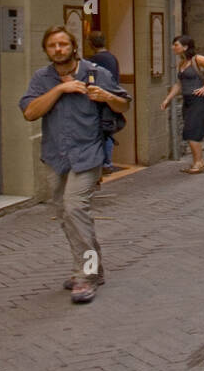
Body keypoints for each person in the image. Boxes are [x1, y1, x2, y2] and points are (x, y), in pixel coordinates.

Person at [19, 26, 130, 304]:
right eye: (52, 46)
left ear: (73, 47)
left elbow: (124, 105)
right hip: (56, 156)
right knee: (68, 214)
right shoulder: (41, 78)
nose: (58, 50)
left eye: (63, 44)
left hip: (88, 154)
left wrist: (108, 97)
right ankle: (94, 267)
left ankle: (85, 274)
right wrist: (60, 88)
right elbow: (30, 112)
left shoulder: (95, 73)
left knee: (75, 206)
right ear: (46, 50)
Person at [160, 35, 204, 173]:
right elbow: (179, 84)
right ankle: (198, 162)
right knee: (189, 131)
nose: (173, 47)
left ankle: (198, 163)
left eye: (176, 45)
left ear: (185, 47)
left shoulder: (198, 59)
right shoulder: (181, 64)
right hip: (187, 100)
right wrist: (168, 99)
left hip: (199, 101)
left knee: (192, 131)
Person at [88, 31, 119, 173]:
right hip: (111, 98)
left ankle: (106, 163)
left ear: (91, 43)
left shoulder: (95, 60)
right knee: (108, 131)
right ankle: (107, 162)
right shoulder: (112, 57)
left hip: (101, 100)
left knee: (104, 131)